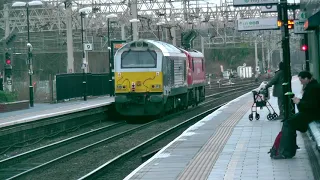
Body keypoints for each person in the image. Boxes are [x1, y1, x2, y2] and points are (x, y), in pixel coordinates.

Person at [274, 71, 320, 159]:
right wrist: (298, 101)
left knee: (288, 123)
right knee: (288, 122)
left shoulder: (313, 88)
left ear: (306, 79)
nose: (300, 82)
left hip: (312, 114)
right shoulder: (312, 86)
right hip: (310, 113)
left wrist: (299, 102)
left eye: (301, 80)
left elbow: (311, 105)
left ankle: (286, 151)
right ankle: (288, 149)